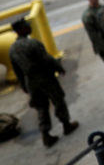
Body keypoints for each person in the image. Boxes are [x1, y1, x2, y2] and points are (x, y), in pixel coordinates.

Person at [8, 18, 79, 147]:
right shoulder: (32, 43)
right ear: (21, 30)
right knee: (58, 100)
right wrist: (58, 67)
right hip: (45, 78)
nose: (29, 27)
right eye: (26, 26)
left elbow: (17, 71)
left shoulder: (12, 49)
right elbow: (46, 59)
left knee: (41, 107)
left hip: (30, 82)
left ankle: (45, 134)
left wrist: (24, 85)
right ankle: (66, 125)